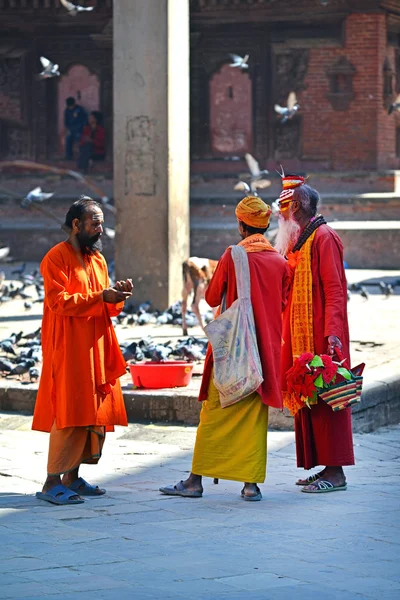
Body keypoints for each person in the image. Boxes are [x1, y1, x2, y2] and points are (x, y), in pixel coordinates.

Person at [160, 196, 290, 501]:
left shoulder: (234, 256)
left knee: (215, 412)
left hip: (232, 350)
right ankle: (250, 485)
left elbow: (211, 296)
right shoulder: (281, 262)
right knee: (254, 418)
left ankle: (195, 481)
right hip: (263, 353)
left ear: (241, 225)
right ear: (266, 225)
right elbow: (282, 303)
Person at [32, 196, 133, 505]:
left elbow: (105, 306)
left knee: (91, 409)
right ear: (76, 225)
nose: (100, 229)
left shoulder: (98, 260)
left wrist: (116, 295)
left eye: (101, 223)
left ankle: (72, 479)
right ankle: (52, 482)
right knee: (69, 409)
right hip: (68, 346)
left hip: (96, 344)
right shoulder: (56, 257)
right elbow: (58, 301)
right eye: (95, 223)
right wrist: (101, 295)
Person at [275, 174, 354, 494]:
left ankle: (336, 472)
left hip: (323, 337)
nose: (279, 217)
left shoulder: (324, 237)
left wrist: (333, 334)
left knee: (328, 399)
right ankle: (323, 466)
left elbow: (335, 290)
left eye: (283, 209)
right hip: (299, 338)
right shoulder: (301, 240)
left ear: (297, 207)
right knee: (308, 399)